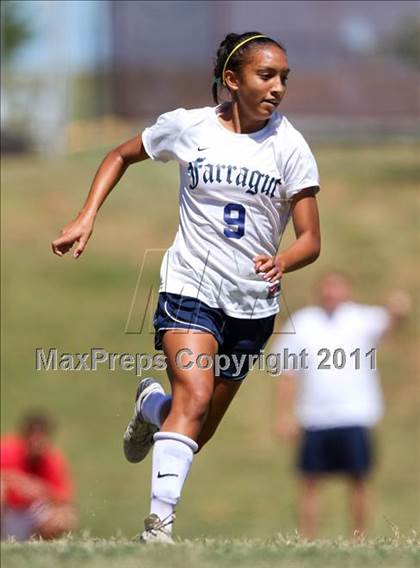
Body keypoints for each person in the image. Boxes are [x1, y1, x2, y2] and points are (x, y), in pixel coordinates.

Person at [51, 31, 321, 542]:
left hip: (252, 306)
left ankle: (151, 408)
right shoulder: (189, 126)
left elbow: (311, 240)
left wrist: (284, 259)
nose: (278, 87)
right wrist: (85, 217)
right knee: (193, 398)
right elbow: (119, 154)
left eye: (285, 77)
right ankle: (159, 528)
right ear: (232, 80)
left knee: (197, 426)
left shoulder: (291, 146)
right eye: (267, 75)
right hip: (189, 287)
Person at [272, 271, 411, 539]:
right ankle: (308, 538)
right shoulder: (303, 323)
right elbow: (287, 373)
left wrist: (398, 308)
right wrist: (283, 415)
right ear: (318, 292)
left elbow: (389, 322)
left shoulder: (360, 319)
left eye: (337, 288)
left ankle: (358, 538)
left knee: (359, 479)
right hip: (313, 416)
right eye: (327, 288)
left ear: (346, 291)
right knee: (309, 482)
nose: (331, 294)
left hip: (354, 414)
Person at [1, 411, 77, 540]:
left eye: (40, 436)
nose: (36, 441)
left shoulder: (52, 459)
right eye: (32, 435)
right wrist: (15, 481)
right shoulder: (7, 450)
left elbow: (65, 499)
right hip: (8, 512)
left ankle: (36, 542)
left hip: (33, 516)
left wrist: (40, 491)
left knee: (66, 517)